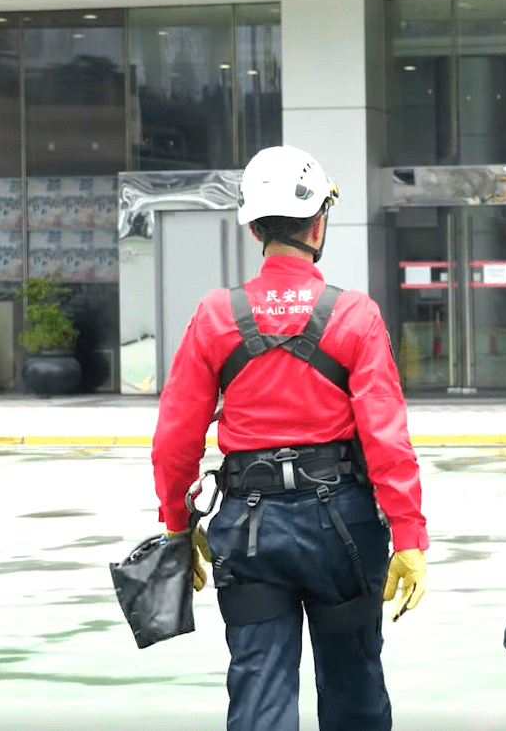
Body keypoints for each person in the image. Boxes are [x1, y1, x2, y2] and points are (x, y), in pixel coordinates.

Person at [150, 145, 428, 731]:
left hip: (250, 532)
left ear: (253, 227)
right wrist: (408, 535)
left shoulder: (215, 315)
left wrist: (178, 524)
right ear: (319, 223)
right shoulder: (355, 315)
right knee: (354, 692)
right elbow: (386, 438)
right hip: (343, 530)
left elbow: (175, 436)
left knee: (259, 696)